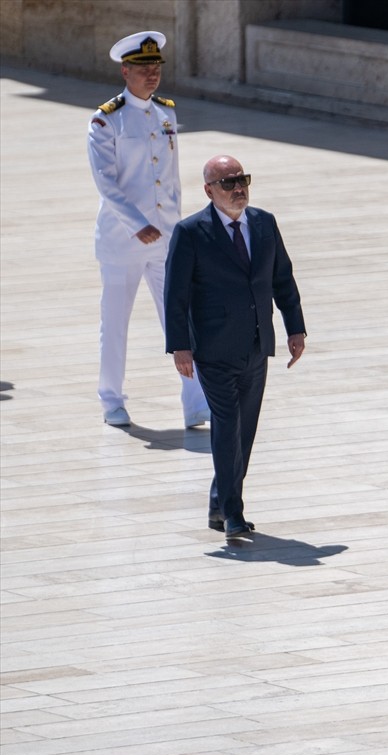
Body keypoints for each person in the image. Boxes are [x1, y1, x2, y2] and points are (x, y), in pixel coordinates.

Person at [164, 156, 306, 544]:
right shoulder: (190, 232)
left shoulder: (264, 223)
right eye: (227, 183)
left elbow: (283, 279)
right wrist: (180, 346)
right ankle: (232, 514)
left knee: (244, 431)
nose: (238, 188)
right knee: (226, 429)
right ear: (209, 191)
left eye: (242, 179)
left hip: (257, 346)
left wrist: (295, 328)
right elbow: (175, 295)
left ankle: (218, 501)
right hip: (213, 349)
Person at [87, 31, 208, 428]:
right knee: (116, 322)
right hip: (124, 240)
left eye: (156, 68)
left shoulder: (167, 113)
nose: (152, 75)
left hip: (167, 238)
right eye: (143, 69)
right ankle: (111, 400)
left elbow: (169, 180)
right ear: (126, 71)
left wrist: (176, 226)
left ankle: (195, 402)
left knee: (180, 318)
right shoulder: (107, 119)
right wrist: (137, 225)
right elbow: (107, 182)